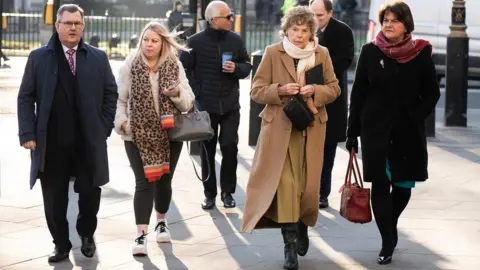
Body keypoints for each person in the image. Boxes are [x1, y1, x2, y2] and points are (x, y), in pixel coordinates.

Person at [17, 4, 118, 263]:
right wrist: (28, 132)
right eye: (68, 23)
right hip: (51, 143)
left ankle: (86, 234)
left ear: (83, 26)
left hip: (88, 143)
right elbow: (26, 97)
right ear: (57, 26)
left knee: (90, 194)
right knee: (54, 198)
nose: (73, 27)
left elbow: (110, 93)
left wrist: (103, 126)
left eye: (77, 23)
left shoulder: (97, 56)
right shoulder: (38, 57)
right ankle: (61, 244)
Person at [242, 6, 340, 270]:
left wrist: (316, 90)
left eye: (304, 30)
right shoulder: (274, 53)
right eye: (294, 30)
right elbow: (256, 90)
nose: (299, 35)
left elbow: (334, 88)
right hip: (280, 130)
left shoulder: (322, 54)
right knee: (285, 186)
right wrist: (280, 89)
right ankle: (289, 247)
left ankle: (302, 224)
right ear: (286, 30)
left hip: (310, 128)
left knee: (305, 188)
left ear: (312, 31)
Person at [346, 1, 440, 265]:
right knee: (380, 183)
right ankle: (387, 241)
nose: (388, 25)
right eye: (385, 20)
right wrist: (352, 132)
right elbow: (359, 94)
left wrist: (416, 115)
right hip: (375, 129)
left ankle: (391, 223)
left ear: (406, 25)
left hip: (407, 131)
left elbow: (432, 92)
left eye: (394, 21)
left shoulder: (420, 53)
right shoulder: (369, 51)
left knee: (403, 186)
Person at [114, 21, 195, 256]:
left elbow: (189, 100)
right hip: (137, 134)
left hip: (169, 133)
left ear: (163, 44)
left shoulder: (174, 65)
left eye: (154, 40)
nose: (149, 45)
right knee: (143, 182)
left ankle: (161, 221)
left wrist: (177, 93)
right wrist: (122, 123)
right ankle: (140, 235)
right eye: (145, 39)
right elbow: (119, 99)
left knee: (164, 180)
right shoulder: (130, 65)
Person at [180, 1, 252, 210]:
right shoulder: (194, 42)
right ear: (214, 20)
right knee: (207, 151)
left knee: (230, 148)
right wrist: (197, 92)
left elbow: (247, 66)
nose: (232, 19)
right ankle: (209, 194)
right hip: (206, 106)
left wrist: (236, 68)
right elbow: (183, 71)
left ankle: (228, 193)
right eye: (228, 16)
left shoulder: (236, 40)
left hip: (230, 105)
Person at [310, 0, 354, 209]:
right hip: (306, 97)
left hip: (331, 98)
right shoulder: (304, 29)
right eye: (313, 15)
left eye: (320, 15)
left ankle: (322, 192)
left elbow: (345, 61)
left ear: (330, 13)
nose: (316, 20)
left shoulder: (342, 31)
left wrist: (319, 66)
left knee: (327, 148)